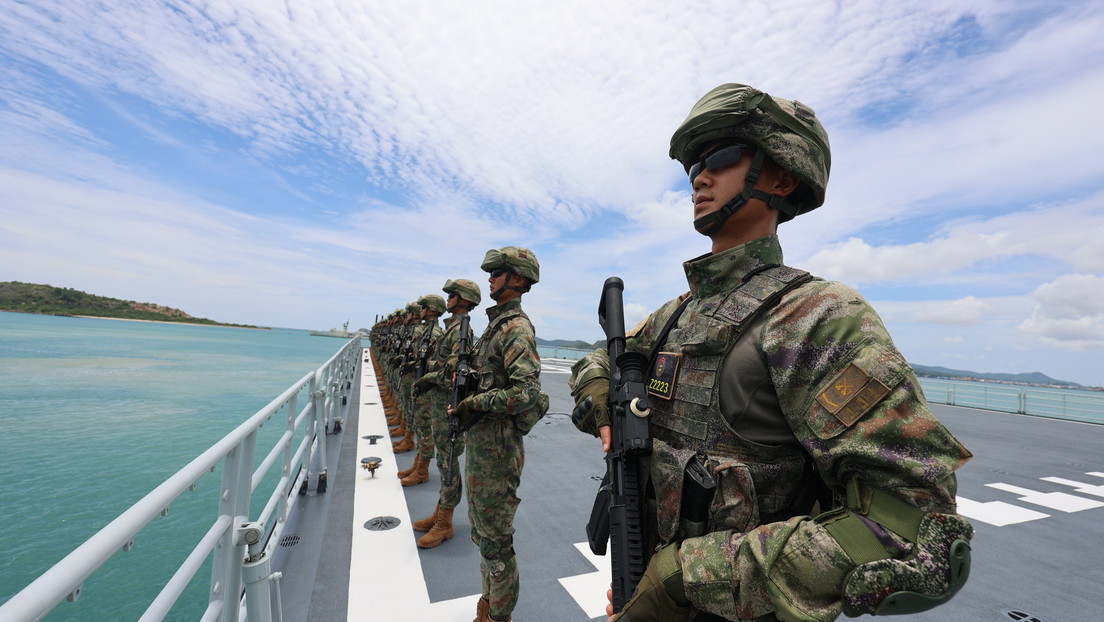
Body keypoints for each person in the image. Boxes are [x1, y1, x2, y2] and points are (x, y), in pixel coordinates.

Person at [568, 83, 974, 622]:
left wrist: (682, 579)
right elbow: (604, 358)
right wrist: (599, 391)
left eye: (720, 156)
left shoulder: (818, 316)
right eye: (693, 167)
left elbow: (914, 529)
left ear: (782, 175)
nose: (700, 176)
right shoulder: (676, 315)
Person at [451, 247, 545, 622]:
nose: (489, 278)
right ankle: (486, 607)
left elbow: (528, 393)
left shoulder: (515, 328)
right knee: (483, 535)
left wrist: (477, 404)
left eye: (497, 272)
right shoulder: (493, 327)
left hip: (498, 451)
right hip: (481, 447)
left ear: (517, 279)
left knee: (496, 543)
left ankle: (499, 615)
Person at [412, 279, 481, 548]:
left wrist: (430, 376)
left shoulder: (461, 332)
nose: (448, 299)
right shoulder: (451, 329)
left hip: (448, 405)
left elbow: (453, 370)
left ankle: (446, 522)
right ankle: (441, 512)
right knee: (444, 461)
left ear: (463, 300)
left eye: (453, 295)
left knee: (449, 462)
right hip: (440, 403)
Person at [397, 294, 446, 486]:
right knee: (418, 422)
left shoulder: (432, 333)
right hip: (419, 380)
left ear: (432, 309)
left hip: (427, 385)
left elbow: (434, 362)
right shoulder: (425, 331)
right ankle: (418, 463)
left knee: (424, 427)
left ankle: (422, 469)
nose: (419, 311)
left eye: (424, 307)